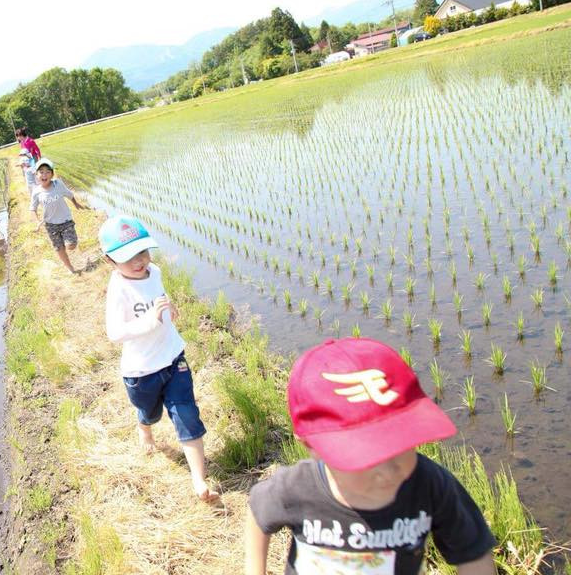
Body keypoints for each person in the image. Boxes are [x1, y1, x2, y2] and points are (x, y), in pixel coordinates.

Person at [245, 337, 495, 575]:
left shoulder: (432, 485)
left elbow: (473, 552)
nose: (388, 470)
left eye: (400, 445)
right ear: (311, 447)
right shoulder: (295, 487)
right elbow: (258, 514)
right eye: (365, 458)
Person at [99, 215, 219, 502]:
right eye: (129, 257)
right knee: (150, 413)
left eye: (142, 252)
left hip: (173, 357)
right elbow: (115, 333)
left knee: (186, 414)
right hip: (141, 372)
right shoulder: (118, 290)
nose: (139, 261)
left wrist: (168, 307)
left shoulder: (155, 270)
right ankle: (145, 429)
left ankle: (199, 481)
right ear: (110, 261)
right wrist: (151, 322)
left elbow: (159, 295)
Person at [30, 158, 84, 273]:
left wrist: (76, 204)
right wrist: (37, 222)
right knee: (59, 248)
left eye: (48, 172)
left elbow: (69, 195)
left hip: (66, 221)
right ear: (36, 174)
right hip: (51, 225)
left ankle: (69, 242)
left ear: (52, 174)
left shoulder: (58, 184)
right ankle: (70, 268)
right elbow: (32, 209)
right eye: (41, 172)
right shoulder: (36, 192)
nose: (44, 174)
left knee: (71, 245)